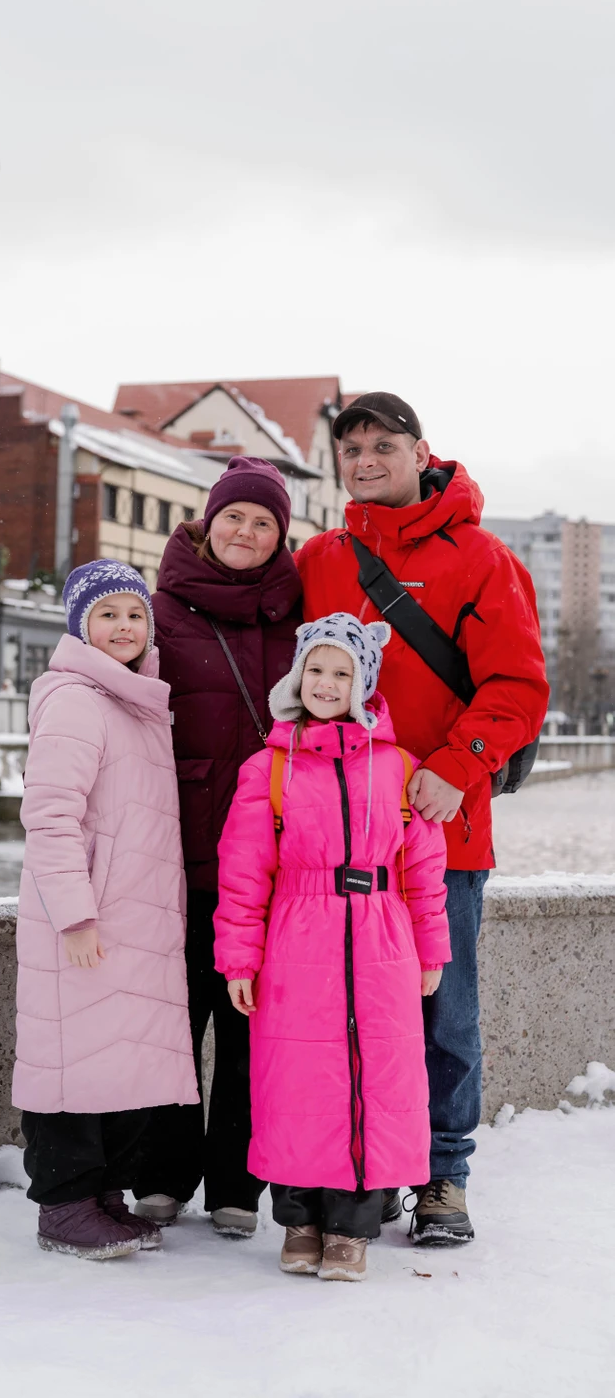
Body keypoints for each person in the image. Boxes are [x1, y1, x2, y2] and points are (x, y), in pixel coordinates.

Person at [297, 393, 549, 1245]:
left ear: (420, 450)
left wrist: (455, 766)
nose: (366, 460)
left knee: (444, 1012)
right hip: (338, 839)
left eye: (384, 444)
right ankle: (360, 1168)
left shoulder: (481, 558)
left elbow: (517, 688)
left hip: (444, 831)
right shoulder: (319, 558)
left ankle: (444, 1176)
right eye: (352, 447)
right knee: (343, 1015)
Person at [214, 613, 450, 1281]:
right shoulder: (271, 769)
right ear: (296, 677)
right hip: (297, 936)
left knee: (376, 1078)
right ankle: (301, 1220)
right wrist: (240, 957)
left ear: (363, 684)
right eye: (315, 669)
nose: (325, 683)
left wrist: (432, 952)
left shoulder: (399, 768)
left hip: (381, 934)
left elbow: (423, 872)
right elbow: (243, 872)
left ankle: (353, 1226)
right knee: (298, 1082)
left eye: (341, 672)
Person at [132, 456, 302, 1237]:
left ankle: (238, 1184)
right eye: (235, 516)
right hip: (178, 852)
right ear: (207, 521)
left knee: (250, 1027)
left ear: (280, 537)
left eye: (263, 522)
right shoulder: (158, 611)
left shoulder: (297, 617)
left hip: (269, 863)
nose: (246, 532)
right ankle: (163, 1172)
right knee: (176, 1019)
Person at [13, 559, 198, 1260]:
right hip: (89, 916)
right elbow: (51, 816)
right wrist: (75, 914)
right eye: (107, 615)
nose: (123, 627)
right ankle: (63, 1203)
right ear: (79, 626)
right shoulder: (75, 699)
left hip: (132, 914)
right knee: (71, 1060)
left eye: (134, 615)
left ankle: (100, 1196)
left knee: (112, 1059)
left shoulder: (132, 696)